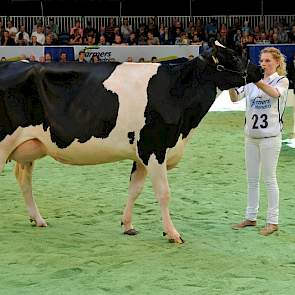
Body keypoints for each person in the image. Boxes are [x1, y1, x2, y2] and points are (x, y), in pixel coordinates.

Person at [230, 47, 289, 236]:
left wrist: (256, 79)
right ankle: (251, 216)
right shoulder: (251, 82)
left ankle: (273, 221)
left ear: (277, 62)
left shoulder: (282, 81)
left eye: (268, 61)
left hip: (270, 138)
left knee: (270, 179)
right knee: (252, 179)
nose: (263, 64)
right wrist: (230, 82)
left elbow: (274, 94)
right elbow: (234, 98)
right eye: (262, 61)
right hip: (251, 137)